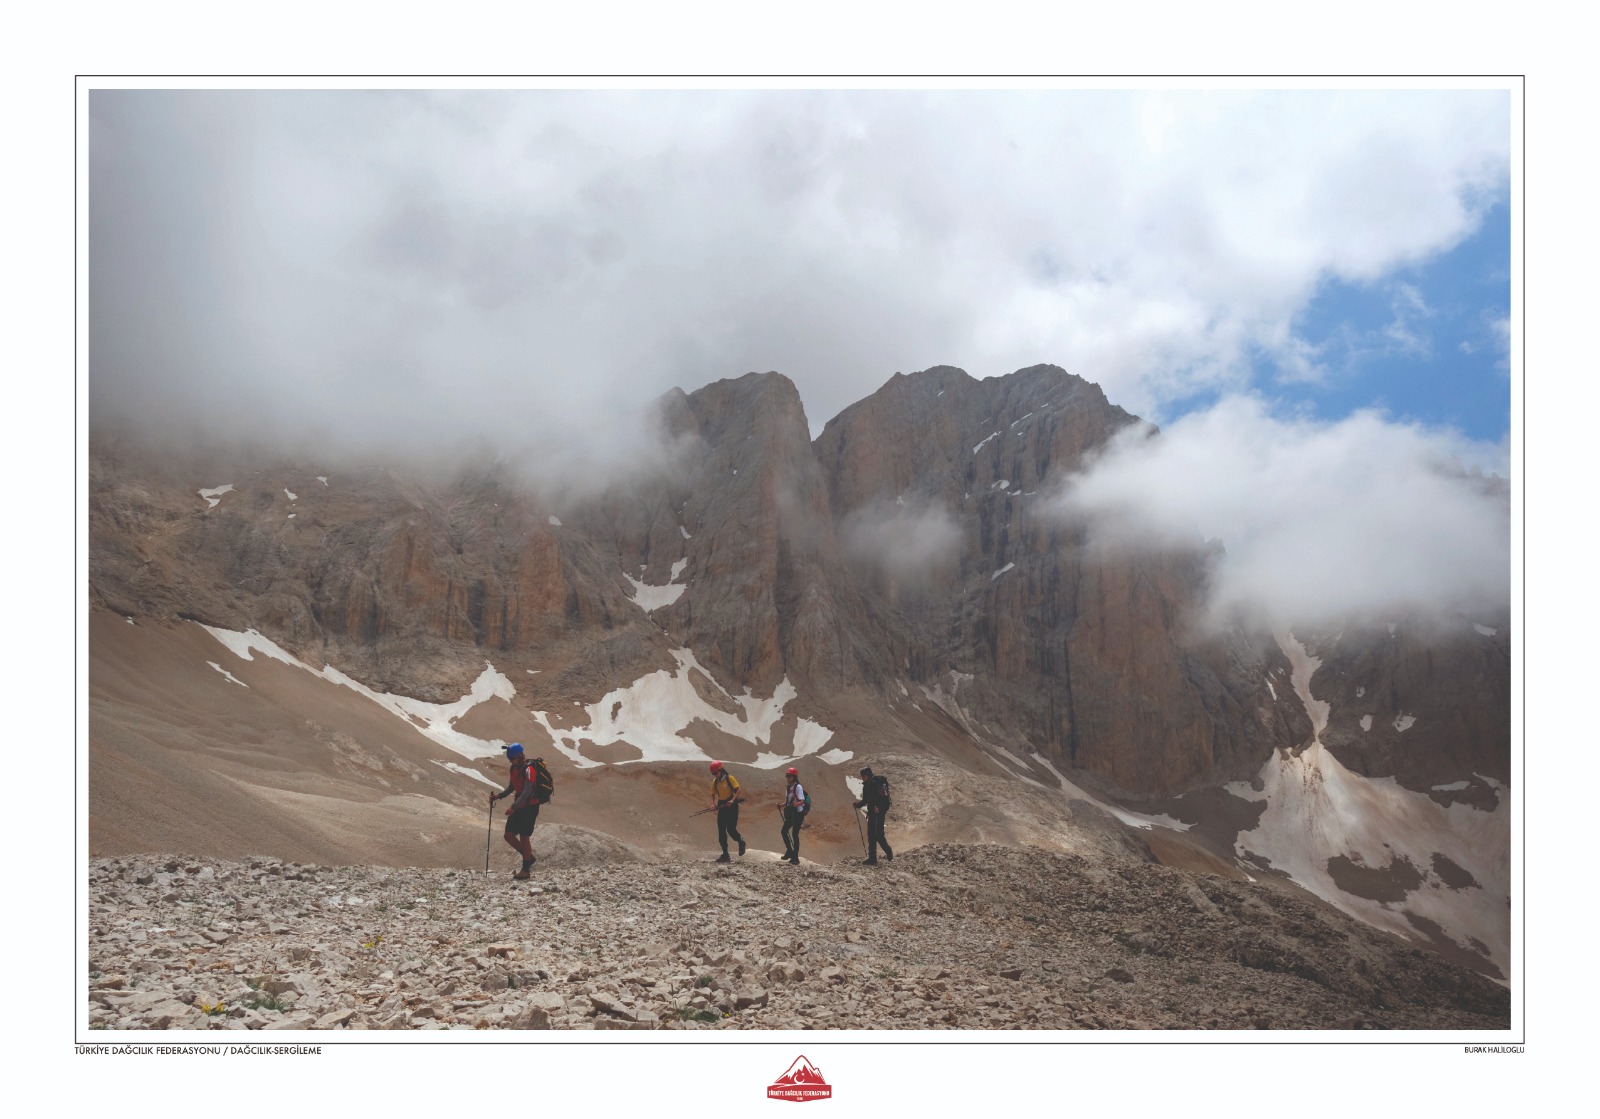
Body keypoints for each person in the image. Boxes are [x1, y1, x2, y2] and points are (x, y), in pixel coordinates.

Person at [489, 743, 540, 880]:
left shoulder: (529, 769)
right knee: (508, 835)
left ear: (519, 756)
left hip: (530, 806)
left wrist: (513, 807)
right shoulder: (514, 769)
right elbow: (512, 786)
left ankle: (526, 869)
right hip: (520, 805)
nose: (511, 762)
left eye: (512, 759)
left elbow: (527, 791)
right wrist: (499, 796)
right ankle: (528, 857)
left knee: (524, 836)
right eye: (510, 760)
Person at [854, 765, 893, 865]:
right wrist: (857, 805)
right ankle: (872, 859)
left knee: (879, 835)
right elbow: (865, 800)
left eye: (864, 776)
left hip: (879, 813)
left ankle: (889, 852)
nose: (863, 778)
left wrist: (879, 808)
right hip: (871, 812)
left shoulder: (877, 784)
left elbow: (884, 799)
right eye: (862, 776)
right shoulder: (866, 786)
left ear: (869, 775)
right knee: (871, 835)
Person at [709, 760, 746, 863]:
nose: (714, 775)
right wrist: (713, 804)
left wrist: (732, 800)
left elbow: (738, 789)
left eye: (715, 773)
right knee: (721, 830)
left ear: (720, 770)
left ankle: (740, 841)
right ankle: (725, 855)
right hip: (722, 805)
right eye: (713, 774)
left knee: (730, 829)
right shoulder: (715, 782)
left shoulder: (730, 778)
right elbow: (712, 793)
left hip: (732, 806)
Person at [779, 766, 807, 865]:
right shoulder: (788, 787)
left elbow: (802, 800)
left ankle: (795, 857)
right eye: (787, 776)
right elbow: (788, 801)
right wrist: (782, 805)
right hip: (791, 812)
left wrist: (797, 804)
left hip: (798, 813)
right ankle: (790, 851)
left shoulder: (798, 787)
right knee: (784, 831)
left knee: (795, 834)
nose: (788, 778)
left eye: (789, 776)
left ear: (794, 777)